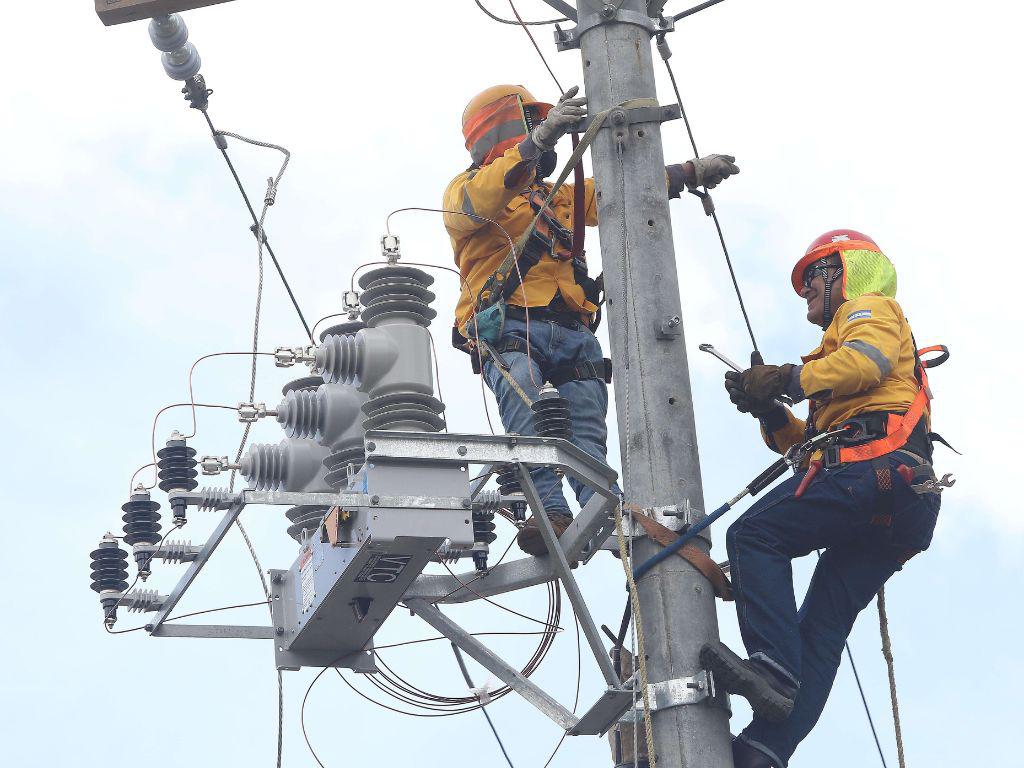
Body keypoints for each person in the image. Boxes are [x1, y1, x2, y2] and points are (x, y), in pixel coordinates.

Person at [443, 84, 739, 555]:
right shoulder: (466, 192)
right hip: (512, 327)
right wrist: (535, 145)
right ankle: (551, 513)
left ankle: (605, 513)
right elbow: (482, 200)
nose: (548, 135)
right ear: (505, 127)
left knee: (586, 435)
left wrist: (686, 174)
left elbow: (622, 194)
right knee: (531, 424)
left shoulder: (558, 196)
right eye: (534, 124)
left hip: (574, 334)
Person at [701, 230, 943, 767]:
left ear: (842, 270)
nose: (805, 290)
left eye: (812, 276)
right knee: (824, 625)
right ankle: (765, 751)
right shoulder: (843, 381)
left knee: (755, 535)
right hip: (901, 501)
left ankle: (773, 669)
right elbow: (812, 454)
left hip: (875, 474)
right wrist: (771, 412)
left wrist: (789, 378)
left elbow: (868, 361)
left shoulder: (869, 309)